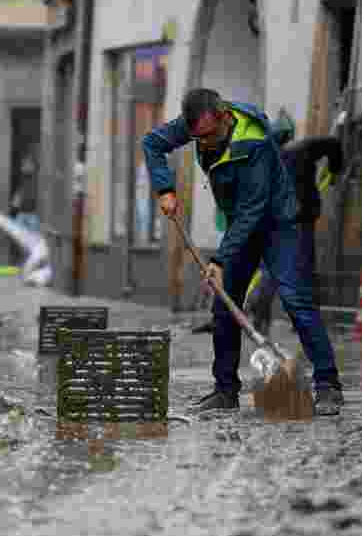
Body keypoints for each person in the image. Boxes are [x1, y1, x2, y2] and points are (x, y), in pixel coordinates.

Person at [143, 88, 344, 416]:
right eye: (197, 138)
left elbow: (253, 210)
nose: (203, 144)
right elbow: (152, 143)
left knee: (296, 301)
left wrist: (220, 260)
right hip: (241, 224)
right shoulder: (197, 126)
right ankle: (225, 391)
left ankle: (328, 385)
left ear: (223, 117)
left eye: (208, 136)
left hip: (279, 225)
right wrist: (164, 188)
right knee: (224, 306)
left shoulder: (256, 145)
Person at [244, 119, 344, 337]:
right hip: (300, 220)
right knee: (304, 268)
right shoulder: (303, 148)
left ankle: (260, 315)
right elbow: (333, 143)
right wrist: (336, 170)